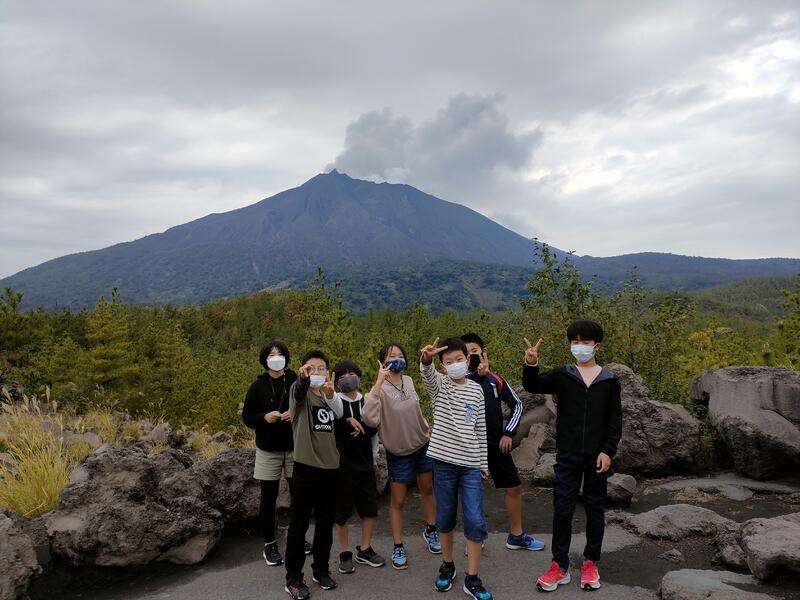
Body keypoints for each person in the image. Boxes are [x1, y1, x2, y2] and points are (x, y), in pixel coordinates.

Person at [522, 320, 622, 593]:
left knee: (595, 510)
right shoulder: (563, 375)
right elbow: (532, 385)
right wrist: (531, 362)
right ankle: (559, 565)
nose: (579, 347)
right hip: (567, 454)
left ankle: (591, 562)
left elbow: (615, 421)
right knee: (562, 509)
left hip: (597, 457)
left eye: (585, 342)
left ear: (596, 346)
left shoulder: (609, 380)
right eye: (575, 342)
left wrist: (608, 451)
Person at [420, 337, 492, 600]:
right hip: (444, 464)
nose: (455, 364)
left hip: (470, 464)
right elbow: (427, 374)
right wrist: (426, 359)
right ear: (442, 365)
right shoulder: (440, 385)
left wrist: (484, 463)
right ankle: (447, 565)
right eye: (448, 361)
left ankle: (472, 578)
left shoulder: (476, 390)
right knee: (446, 518)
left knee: (475, 519)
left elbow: (480, 429)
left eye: (459, 359)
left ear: (467, 358)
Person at [461, 333, 545, 553]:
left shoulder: (495, 380)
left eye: (474, 351)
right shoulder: (458, 382)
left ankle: (516, 535)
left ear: (483, 352)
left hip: (496, 444)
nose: (471, 355)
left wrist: (508, 433)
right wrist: (474, 376)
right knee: (472, 493)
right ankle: (474, 539)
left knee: (513, 487)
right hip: (470, 446)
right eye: (466, 353)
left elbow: (517, 404)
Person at [363, 342, 441, 570]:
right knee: (398, 501)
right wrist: (379, 382)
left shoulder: (408, 381)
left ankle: (431, 530)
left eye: (400, 355)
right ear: (382, 362)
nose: (397, 359)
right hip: (398, 453)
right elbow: (369, 419)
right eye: (391, 356)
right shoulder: (379, 390)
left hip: (422, 445)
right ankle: (398, 545)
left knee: (427, 489)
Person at [242, 340, 313, 566]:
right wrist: (264, 418)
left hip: (295, 447)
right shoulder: (257, 386)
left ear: (286, 357)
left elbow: (308, 405)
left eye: (280, 353)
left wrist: (295, 413)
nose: (276, 357)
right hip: (268, 449)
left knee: (299, 495)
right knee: (268, 497)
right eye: (271, 354)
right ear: (265, 359)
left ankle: (298, 537)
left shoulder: (295, 379)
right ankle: (270, 543)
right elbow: (247, 417)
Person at [284, 351, 344, 600]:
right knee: (298, 525)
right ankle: (293, 578)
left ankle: (321, 569)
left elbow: (340, 415)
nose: (317, 372)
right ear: (304, 370)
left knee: (325, 524)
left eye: (321, 368)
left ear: (328, 373)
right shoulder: (299, 393)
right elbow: (299, 391)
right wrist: (302, 380)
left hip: (331, 469)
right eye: (311, 368)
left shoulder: (330, 396)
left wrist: (331, 395)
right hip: (305, 466)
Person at [331, 360, 386, 574]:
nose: (348, 378)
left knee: (369, 508)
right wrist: (346, 420)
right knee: (342, 511)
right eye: (342, 375)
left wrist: (374, 459)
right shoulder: (335, 400)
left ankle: (365, 548)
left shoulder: (367, 400)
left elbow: (374, 433)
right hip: (343, 465)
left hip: (365, 464)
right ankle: (344, 552)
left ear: (359, 376)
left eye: (352, 373)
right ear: (336, 382)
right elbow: (332, 423)